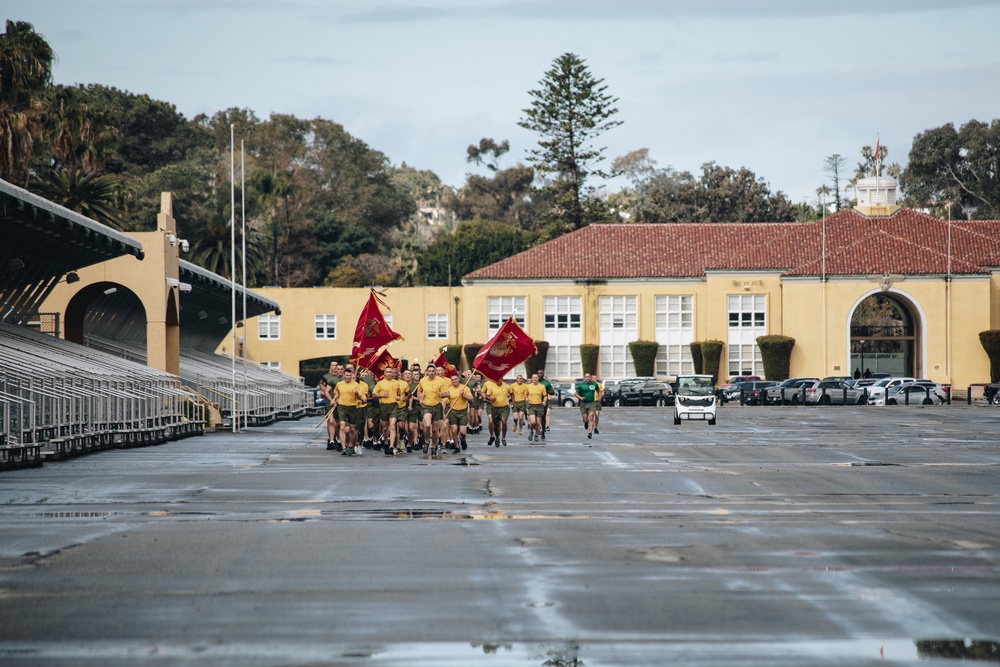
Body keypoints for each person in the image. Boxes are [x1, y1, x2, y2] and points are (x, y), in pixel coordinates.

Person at [333, 367, 368, 456]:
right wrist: (334, 399)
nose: (348, 377)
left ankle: (352, 446)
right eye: (346, 375)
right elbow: (337, 393)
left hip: (353, 407)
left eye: (350, 375)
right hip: (342, 407)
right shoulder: (339, 384)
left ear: (352, 376)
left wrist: (356, 394)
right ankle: (344, 447)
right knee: (342, 426)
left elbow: (361, 397)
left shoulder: (356, 385)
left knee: (353, 429)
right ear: (344, 375)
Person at [417, 365, 450, 455]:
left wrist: (442, 394)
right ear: (427, 372)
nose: (431, 373)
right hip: (426, 405)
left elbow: (447, 393)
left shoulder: (441, 381)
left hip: (437, 406)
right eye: (429, 371)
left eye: (433, 371)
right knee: (427, 425)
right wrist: (420, 397)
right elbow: (419, 391)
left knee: (435, 429)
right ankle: (427, 441)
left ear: (435, 372)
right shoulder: (423, 380)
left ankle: (434, 446)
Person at [372, 367, 404, 456]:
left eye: (390, 372)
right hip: (384, 406)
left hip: (394, 405)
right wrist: (382, 395)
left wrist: (398, 396)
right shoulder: (380, 383)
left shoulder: (396, 383)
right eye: (387, 372)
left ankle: (391, 446)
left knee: (393, 426)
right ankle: (386, 441)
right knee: (385, 427)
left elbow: (399, 392)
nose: (389, 374)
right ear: (384, 373)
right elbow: (374, 394)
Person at [442, 373, 474, 451]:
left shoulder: (464, 388)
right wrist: (443, 413)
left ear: (459, 379)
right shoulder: (449, 389)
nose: (454, 381)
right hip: (453, 412)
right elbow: (444, 401)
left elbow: (471, 398)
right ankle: (457, 446)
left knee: (463, 432)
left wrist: (463, 395)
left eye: (455, 379)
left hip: (462, 412)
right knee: (454, 430)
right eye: (452, 380)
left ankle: (463, 439)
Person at [482, 376, 513, 447]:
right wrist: (488, 398)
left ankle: (503, 438)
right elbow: (484, 393)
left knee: (503, 421)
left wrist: (512, 402)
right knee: (495, 424)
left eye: (499, 379)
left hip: (504, 407)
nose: (497, 380)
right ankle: (495, 437)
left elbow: (511, 393)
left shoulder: (507, 386)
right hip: (493, 406)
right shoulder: (489, 385)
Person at [319, 361, 343, 450]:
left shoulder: (344, 378)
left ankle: (338, 438)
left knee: (338, 422)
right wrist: (323, 391)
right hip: (330, 401)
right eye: (332, 365)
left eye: (336, 365)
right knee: (331, 421)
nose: (334, 367)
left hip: (340, 402)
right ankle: (331, 440)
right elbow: (321, 383)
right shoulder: (327, 377)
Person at [575, 373, 601, 439]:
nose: (587, 378)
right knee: (585, 419)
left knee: (591, 416)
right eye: (586, 377)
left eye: (588, 377)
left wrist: (599, 398)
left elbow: (599, 391)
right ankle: (586, 423)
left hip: (592, 403)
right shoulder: (581, 385)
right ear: (584, 378)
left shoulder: (594, 384)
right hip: (583, 404)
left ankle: (590, 433)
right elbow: (576, 394)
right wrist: (580, 398)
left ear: (590, 378)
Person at [525, 373, 548, 442]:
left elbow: (545, 395)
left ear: (538, 378)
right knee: (533, 422)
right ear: (531, 378)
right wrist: (526, 398)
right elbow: (526, 394)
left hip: (539, 405)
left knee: (538, 422)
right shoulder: (528, 386)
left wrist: (544, 401)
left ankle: (536, 435)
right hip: (531, 405)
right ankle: (531, 431)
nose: (534, 379)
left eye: (536, 377)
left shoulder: (542, 386)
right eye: (533, 377)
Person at [536, 368, 555, 432]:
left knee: (543, 416)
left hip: (544, 401)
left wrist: (545, 390)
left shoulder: (546, 382)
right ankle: (537, 429)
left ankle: (543, 429)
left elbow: (552, 392)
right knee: (536, 417)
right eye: (538, 373)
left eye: (541, 373)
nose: (539, 375)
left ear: (543, 374)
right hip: (534, 401)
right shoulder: (535, 382)